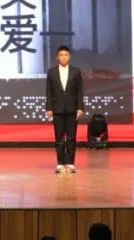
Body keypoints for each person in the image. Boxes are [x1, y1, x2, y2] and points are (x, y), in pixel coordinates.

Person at [45, 45, 85, 173]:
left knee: (71, 137)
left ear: (70, 57)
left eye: (66, 55)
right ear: (57, 57)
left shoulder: (76, 71)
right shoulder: (51, 72)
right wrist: (49, 108)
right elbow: (49, 91)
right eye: (61, 55)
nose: (63, 57)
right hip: (57, 109)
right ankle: (60, 163)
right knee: (59, 138)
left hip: (72, 109)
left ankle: (70, 163)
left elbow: (80, 90)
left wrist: (80, 107)